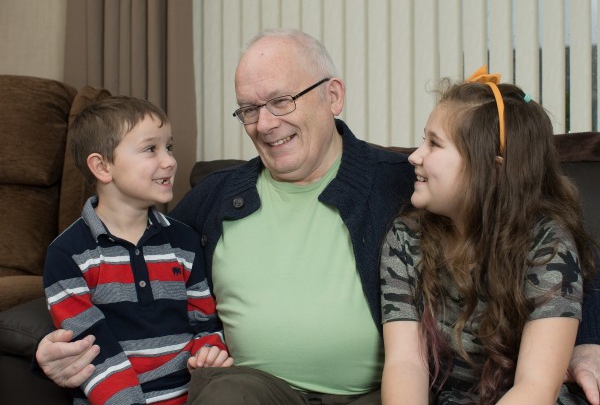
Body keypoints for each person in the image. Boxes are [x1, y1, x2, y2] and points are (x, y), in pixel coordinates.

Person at [35, 30, 600, 404]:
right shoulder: (214, 198)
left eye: (281, 100)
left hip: (374, 393)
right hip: (259, 390)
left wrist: (587, 340)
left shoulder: (403, 180)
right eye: (249, 108)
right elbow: (133, 270)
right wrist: (57, 348)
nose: (264, 122)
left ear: (332, 95)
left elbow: (535, 235)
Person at [380, 67, 598, 404]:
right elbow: (406, 363)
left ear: (492, 170)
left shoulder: (548, 246)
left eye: (434, 143)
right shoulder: (405, 238)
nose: (414, 156)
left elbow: (536, 387)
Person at [42, 96, 232, 404]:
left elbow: (205, 325)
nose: (170, 161)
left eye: (168, 147)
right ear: (102, 166)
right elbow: (91, 353)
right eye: (150, 149)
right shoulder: (68, 254)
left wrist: (209, 353)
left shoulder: (183, 242)